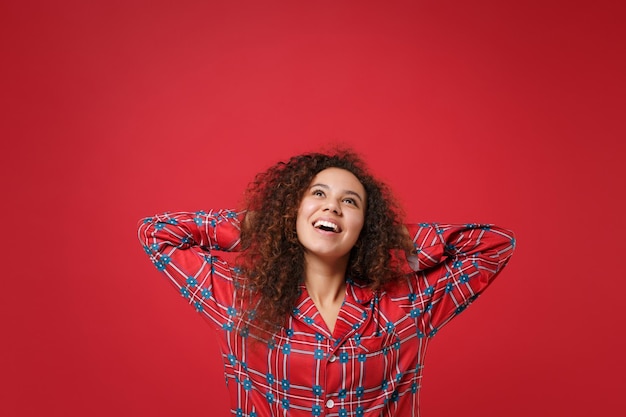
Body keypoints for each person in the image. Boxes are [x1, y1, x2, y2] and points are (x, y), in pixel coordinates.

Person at [137, 150, 515, 417]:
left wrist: (391, 239)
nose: (332, 207)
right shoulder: (240, 299)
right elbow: (156, 233)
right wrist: (263, 225)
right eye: (318, 194)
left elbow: (493, 245)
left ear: (366, 226)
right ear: (292, 210)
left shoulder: (407, 304)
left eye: (350, 202)